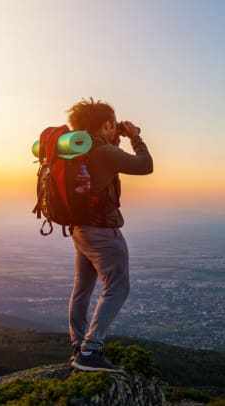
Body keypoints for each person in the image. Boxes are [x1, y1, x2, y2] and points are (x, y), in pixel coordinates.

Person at [65, 98, 153, 372]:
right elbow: (144, 165)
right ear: (106, 124)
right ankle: (90, 351)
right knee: (118, 287)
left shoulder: (80, 149)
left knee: (82, 288)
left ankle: (78, 344)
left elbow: (104, 167)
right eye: (112, 124)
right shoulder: (102, 153)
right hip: (102, 231)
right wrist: (136, 138)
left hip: (80, 229)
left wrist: (115, 137)